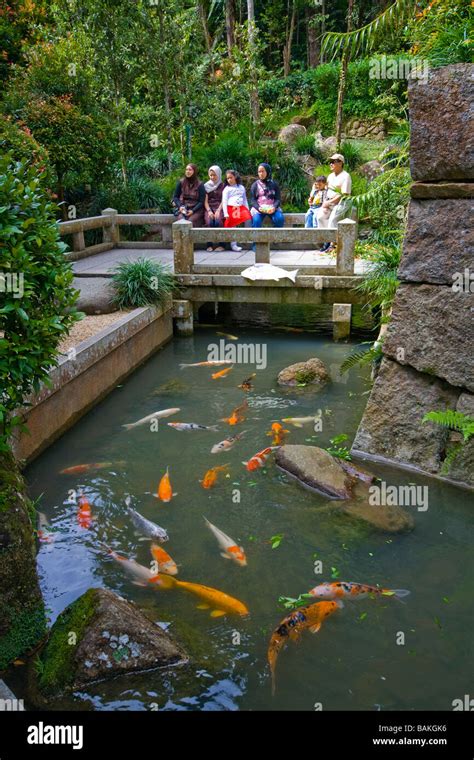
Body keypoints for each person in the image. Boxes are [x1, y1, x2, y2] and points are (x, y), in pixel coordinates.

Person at [316, 153, 352, 253]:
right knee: (320, 217)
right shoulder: (331, 176)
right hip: (330, 201)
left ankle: (333, 244)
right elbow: (326, 190)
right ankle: (325, 241)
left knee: (332, 219)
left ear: (340, 163)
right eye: (330, 162)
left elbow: (344, 194)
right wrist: (324, 201)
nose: (331, 164)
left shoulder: (346, 176)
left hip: (342, 202)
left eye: (333, 162)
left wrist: (329, 202)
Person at [221, 169, 251, 253]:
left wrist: (247, 209)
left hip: (241, 208)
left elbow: (245, 200)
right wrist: (226, 213)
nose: (229, 180)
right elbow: (224, 202)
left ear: (235, 177)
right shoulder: (226, 189)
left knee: (248, 218)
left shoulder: (241, 187)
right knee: (233, 222)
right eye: (228, 178)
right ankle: (233, 244)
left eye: (231, 177)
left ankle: (247, 237)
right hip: (231, 208)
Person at [250, 163, 284, 228]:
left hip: (272, 208)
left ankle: (277, 237)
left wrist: (274, 207)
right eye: (259, 171)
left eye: (263, 171)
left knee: (279, 219)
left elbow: (278, 199)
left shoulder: (274, 184)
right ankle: (257, 238)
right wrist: (258, 208)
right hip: (259, 209)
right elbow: (252, 200)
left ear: (267, 171)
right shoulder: (255, 185)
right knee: (256, 221)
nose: (261, 173)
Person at [204, 165, 225, 252]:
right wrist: (209, 211)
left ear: (219, 174)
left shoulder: (223, 185)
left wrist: (218, 210)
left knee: (219, 221)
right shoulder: (206, 186)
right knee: (209, 222)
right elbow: (205, 201)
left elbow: (224, 200)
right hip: (209, 207)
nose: (212, 177)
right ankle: (209, 245)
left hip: (220, 207)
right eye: (211, 175)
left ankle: (222, 245)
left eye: (214, 175)